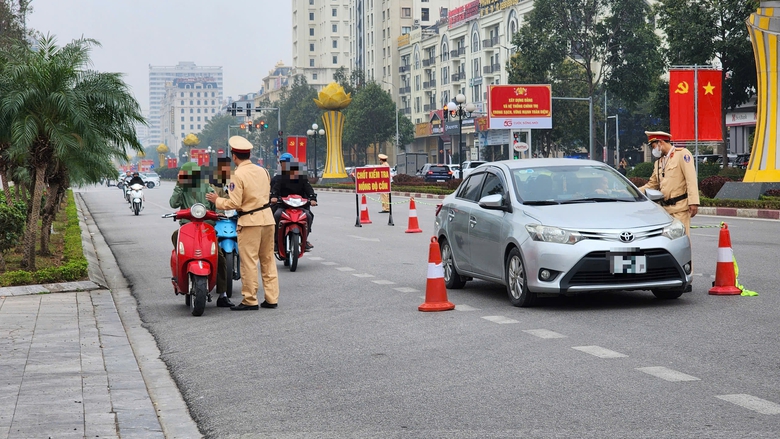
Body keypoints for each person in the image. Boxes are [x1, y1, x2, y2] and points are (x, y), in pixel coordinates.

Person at [206, 136, 279, 311]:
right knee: (268, 260)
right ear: (249, 154)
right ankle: (271, 298)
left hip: (250, 221)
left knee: (249, 262)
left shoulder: (237, 175)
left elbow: (235, 203)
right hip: (267, 219)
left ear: (234, 156)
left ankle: (250, 299)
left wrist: (217, 201)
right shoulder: (264, 171)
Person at [170, 162, 232, 308]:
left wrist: (220, 212)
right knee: (175, 239)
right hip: (187, 228)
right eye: (184, 175)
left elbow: (217, 205)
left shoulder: (208, 188)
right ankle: (179, 278)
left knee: (220, 258)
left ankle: (222, 294)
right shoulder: (182, 189)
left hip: (206, 229)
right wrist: (178, 185)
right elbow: (173, 203)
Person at [639, 131, 700, 237]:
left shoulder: (682, 154)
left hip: (679, 209)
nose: (654, 151)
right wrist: (633, 191)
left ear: (661, 143)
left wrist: (693, 202)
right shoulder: (658, 162)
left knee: (680, 242)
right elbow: (651, 185)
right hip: (664, 211)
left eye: (654, 147)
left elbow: (691, 179)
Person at [270, 153, 317, 250]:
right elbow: (275, 189)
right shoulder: (279, 177)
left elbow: (308, 188)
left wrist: (312, 198)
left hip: (299, 205)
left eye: (287, 163)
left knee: (308, 216)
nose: (284, 165)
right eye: (282, 163)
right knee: (276, 215)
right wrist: (274, 197)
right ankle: (275, 241)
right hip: (283, 205)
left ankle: (305, 239)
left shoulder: (301, 177)